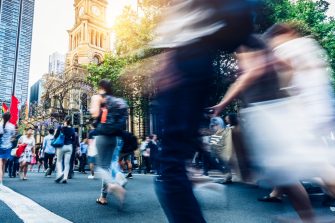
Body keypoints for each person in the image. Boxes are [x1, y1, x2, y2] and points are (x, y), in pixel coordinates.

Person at [90, 79, 128, 206]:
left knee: (101, 167)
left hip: (103, 135)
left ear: (101, 87)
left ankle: (115, 184)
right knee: (109, 165)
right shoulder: (118, 101)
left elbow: (95, 114)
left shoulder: (99, 97)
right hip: (115, 138)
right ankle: (103, 196)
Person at [54, 116, 75, 184]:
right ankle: (65, 177)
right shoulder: (72, 129)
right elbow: (74, 139)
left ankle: (60, 173)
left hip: (61, 146)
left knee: (59, 161)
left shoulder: (60, 127)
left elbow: (56, 136)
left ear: (64, 120)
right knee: (67, 163)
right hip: (69, 146)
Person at [0, 112, 15, 185]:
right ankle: (1, 180)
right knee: (3, 164)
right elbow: (13, 136)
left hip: (0, 146)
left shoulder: (0, 124)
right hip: (8, 146)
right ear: (10, 118)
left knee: (0, 164)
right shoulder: (12, 126)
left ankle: (0, 180)